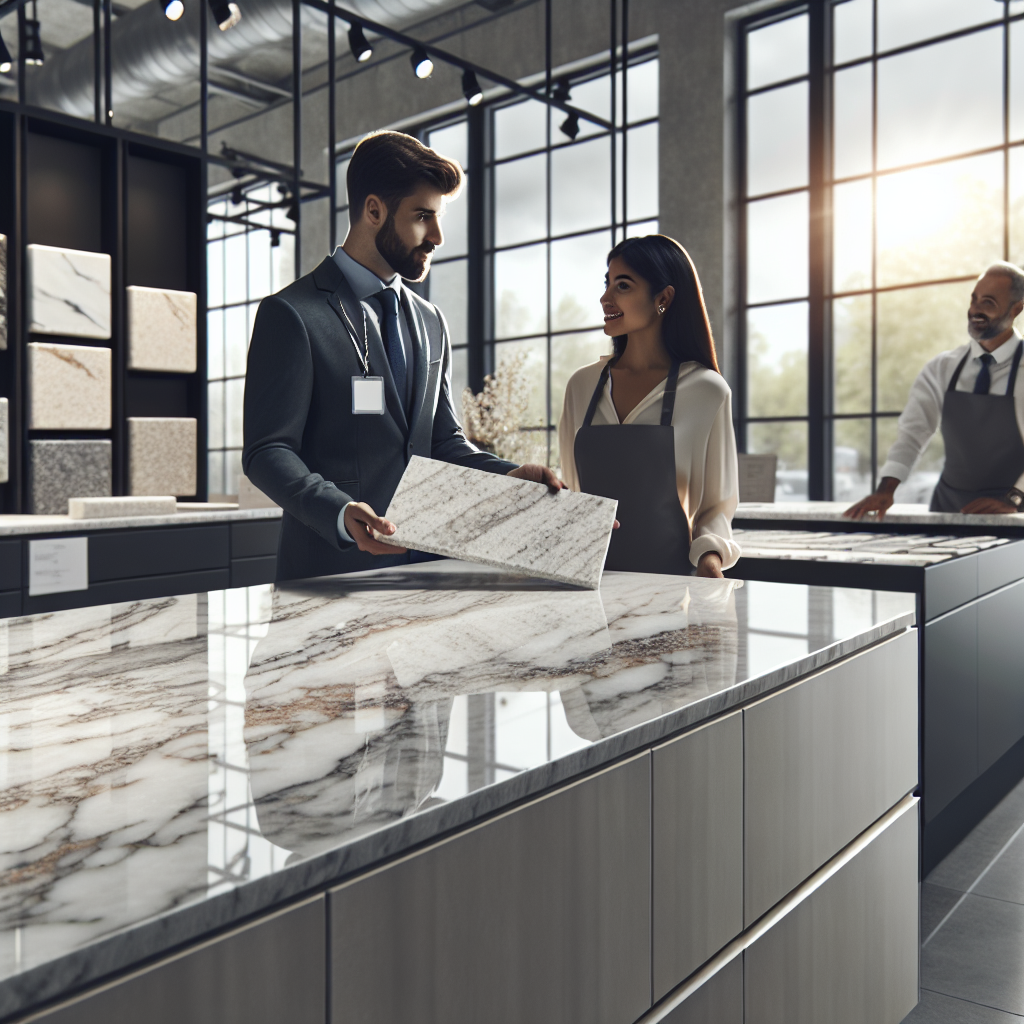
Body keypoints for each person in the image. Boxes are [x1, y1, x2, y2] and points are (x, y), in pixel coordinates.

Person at [243, 130, 560, 581]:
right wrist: (338, 511)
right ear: (374, 210)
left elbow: (443, 442)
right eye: (422, 216)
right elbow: (267, 450)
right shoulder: (292, 314)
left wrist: (508, 476)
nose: (437, 236)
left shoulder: (432, 321)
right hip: (333, 575)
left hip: (430, 572)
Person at [557, 234, 741, 578]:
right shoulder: (580, 385)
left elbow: (717, 507)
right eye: (607, 284)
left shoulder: (707, 391)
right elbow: (572, 494)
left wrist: (710, 561)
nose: (605, 298)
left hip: (670, 590)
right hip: (587, 583)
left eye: (623, 286)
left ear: (663, 298)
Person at [845, 262, 1024, 520]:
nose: (974, 310)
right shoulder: (942, 367)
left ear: (1016, 308)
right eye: (974, 300)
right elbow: (913, 432)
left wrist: (1015, 498)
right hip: (949, 507)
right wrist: (886, 489)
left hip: (1012, 510)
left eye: (988, 303)